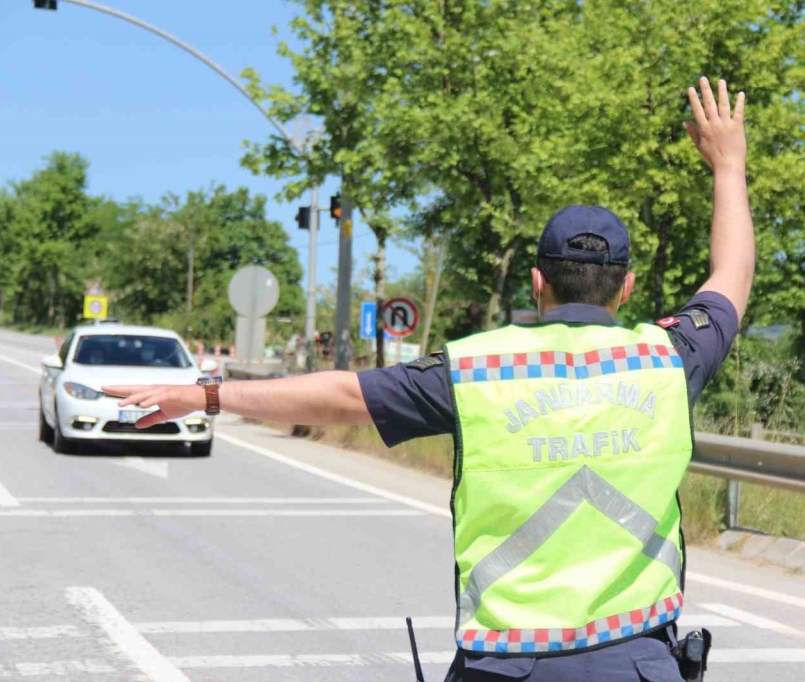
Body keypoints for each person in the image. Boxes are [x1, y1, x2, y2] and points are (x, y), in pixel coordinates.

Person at [105, 76, 753, 682]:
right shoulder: (669, 358)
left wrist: (205, 394)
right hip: (636, 662)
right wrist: (728, 166)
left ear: (537, 281)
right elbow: (730, 276)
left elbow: (337, 395)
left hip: (506, 666)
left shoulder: (480, 369)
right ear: (628, 286)